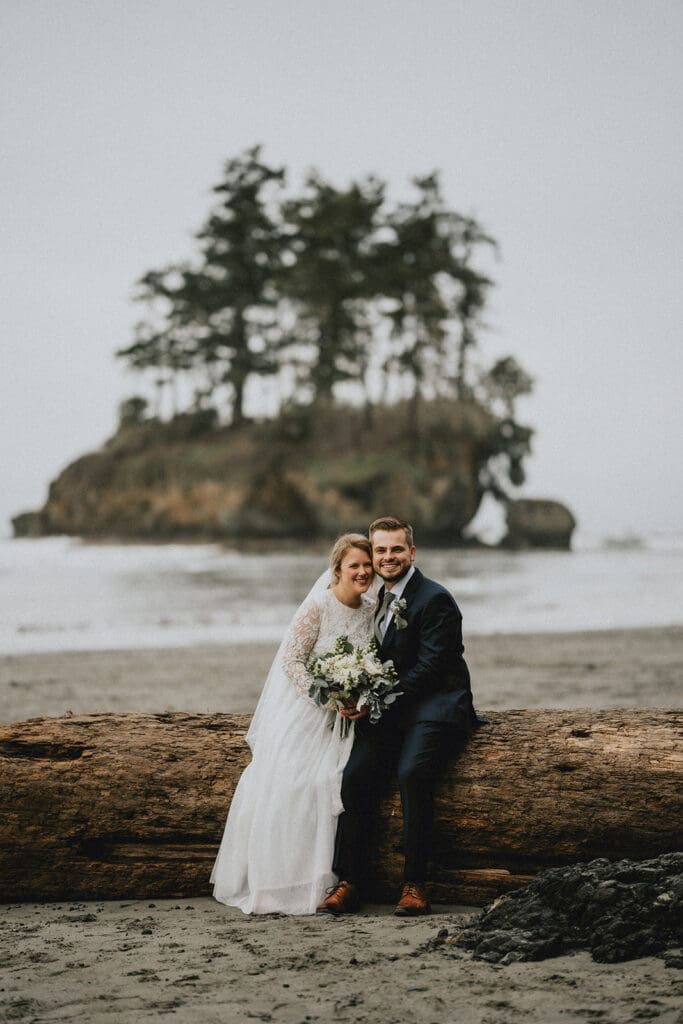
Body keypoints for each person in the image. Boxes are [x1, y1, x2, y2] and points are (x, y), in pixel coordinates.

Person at [317, 515, 477, 917]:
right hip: (391, 708)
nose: (388, 558)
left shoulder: (435, 598)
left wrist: (375, 697)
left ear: (412, 552)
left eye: (396, 549)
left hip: (435, 705)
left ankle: (415, 883)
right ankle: (349, 881)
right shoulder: (376, 600)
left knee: (412, 774)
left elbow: (432, 667)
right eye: (381, 551)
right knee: (354, 776)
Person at [211, 533, 375, 915]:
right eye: (355, 565)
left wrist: (361, 698)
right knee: (296, 783)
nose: (364, 571)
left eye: (367, 565)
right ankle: (278, 883)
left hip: (352, 718)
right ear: (337, 570)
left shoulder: (372, 609)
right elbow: (292, 662)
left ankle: (325, 879)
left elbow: (374, 666)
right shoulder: (318, 605)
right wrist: (329, 699)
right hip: (310, 712)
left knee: (334, 782)